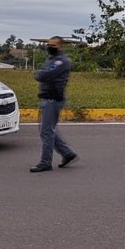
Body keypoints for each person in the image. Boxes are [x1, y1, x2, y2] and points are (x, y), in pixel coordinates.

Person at [31, 36, 78, 173]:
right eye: (49, 45)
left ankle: (45, 162)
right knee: (48, 130)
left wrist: (39, 74)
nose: (49, 47)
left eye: (53, 45)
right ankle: (67, 153)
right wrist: (41, 73)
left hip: (53, 99)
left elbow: (43, 75)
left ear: (60, 46)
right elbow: (43, 73)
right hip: (47, 97)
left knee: (47, 131)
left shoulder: (62, 61)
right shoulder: (51, 59)